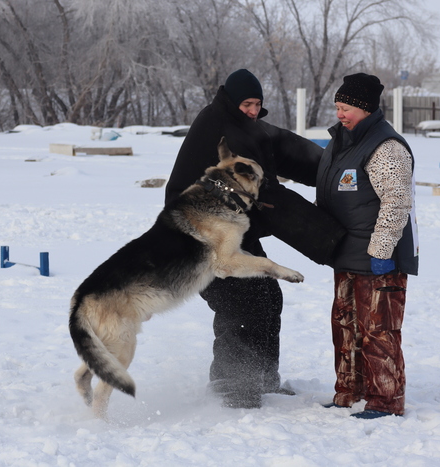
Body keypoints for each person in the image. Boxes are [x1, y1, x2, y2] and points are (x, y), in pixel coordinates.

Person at [165, 69, 345, 409]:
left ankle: (260, 377)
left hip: (231, 231)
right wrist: (328, 238)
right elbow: (268, 196)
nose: (253, 110)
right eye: (247, 104)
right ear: (232, 101)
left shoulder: (243, 126)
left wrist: (333, 169)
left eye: (257, 104)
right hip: (197, 238)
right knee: (240, 300)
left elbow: (284, 147)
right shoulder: (219, 129)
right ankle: (233, 384)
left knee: (267, 295)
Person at [315, 73, 419, 419]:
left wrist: (381, 251)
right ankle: (349, 391)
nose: (339, 114)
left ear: (365, 108)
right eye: (337, 107)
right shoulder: (341, 141)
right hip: (345, 251)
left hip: (379, 257)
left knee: (378, 330)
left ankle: (385, 400)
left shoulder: (386, 147)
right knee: (345, 327)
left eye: (346, 108)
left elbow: (397, 201)